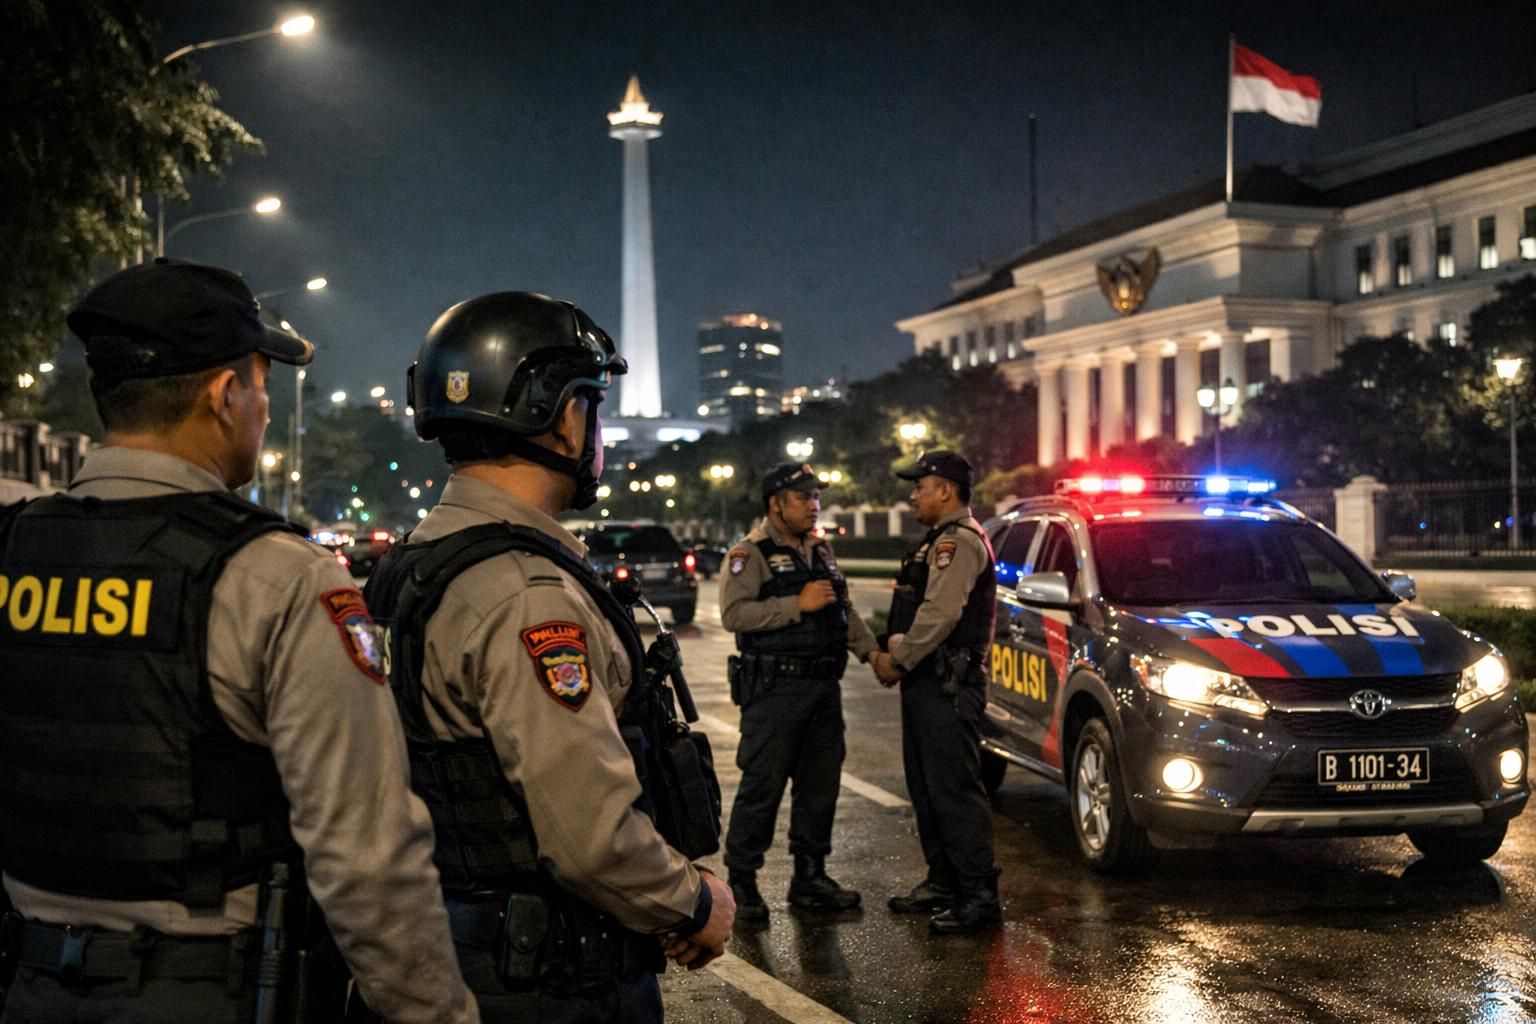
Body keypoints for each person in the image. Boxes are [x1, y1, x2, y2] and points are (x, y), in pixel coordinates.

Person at [0, 259, 477, 1023]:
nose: (262, 409)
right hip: (201, 991)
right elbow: (366, 856)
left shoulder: (14, 548)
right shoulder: (275, 577)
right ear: (225, 396)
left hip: (28, 985)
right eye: (261, 387)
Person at [363, 292, 734, 1023]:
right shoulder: (527, 593)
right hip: (545, 980)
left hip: (438, 946)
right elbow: (589, 835)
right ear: (564, 417)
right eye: (593, 405)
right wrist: (693, 903)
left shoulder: (408, 567)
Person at [718, 463, 880, 921]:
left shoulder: (820, 550)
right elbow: (734, 615)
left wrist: (872, 653)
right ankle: (742, 880)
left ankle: (810, 877)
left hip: (823, 687)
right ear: (776, 504)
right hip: (776, 689)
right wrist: (796, 604)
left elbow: (843, 610)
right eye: (804, 497)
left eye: (816, 497)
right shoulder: (750, 554)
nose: (814, 505)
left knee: (819, 786)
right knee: (763, 786)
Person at [870, 450, 1001, 936]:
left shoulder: (958, 542)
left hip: (948, 683)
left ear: (945, 490)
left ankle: (979, 897)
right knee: (927, 788)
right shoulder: (937, 541)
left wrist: (898, 659)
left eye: (920, 486)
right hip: (929, 681)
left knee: (954, 791)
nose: (913, 496)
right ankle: (944, 882)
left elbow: (941, 614)